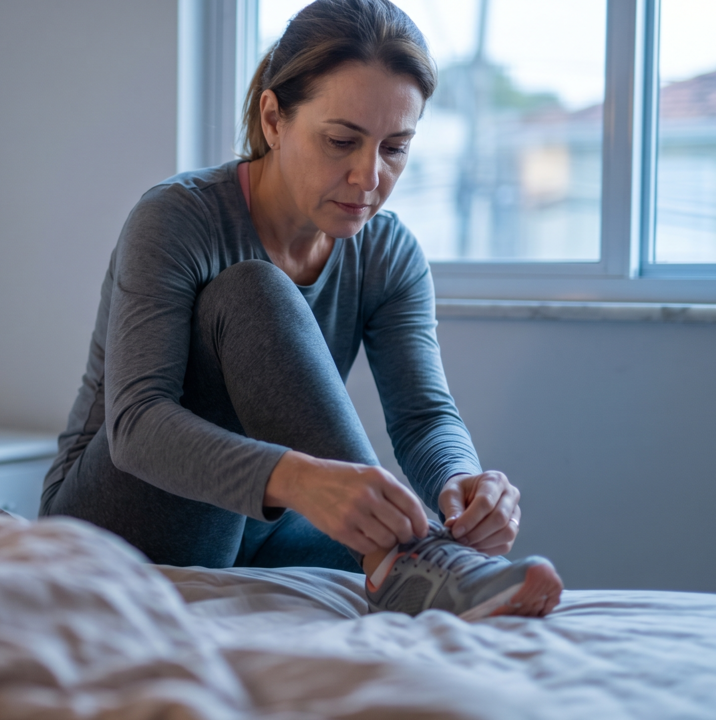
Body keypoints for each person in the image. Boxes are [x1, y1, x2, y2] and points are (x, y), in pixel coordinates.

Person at [39, 0, 563, 619]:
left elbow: (424, 417)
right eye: (341, 141)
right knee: (250, 290)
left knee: (415, 539)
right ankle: (413, 554)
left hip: (257, 529)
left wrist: (462, 484)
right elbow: (136, 428)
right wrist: (304, 481)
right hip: (111, 518)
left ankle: (420, 553)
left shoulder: (389, 252)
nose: (368, 177)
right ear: (273, 118)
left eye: (395, 147)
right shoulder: (178, 218)